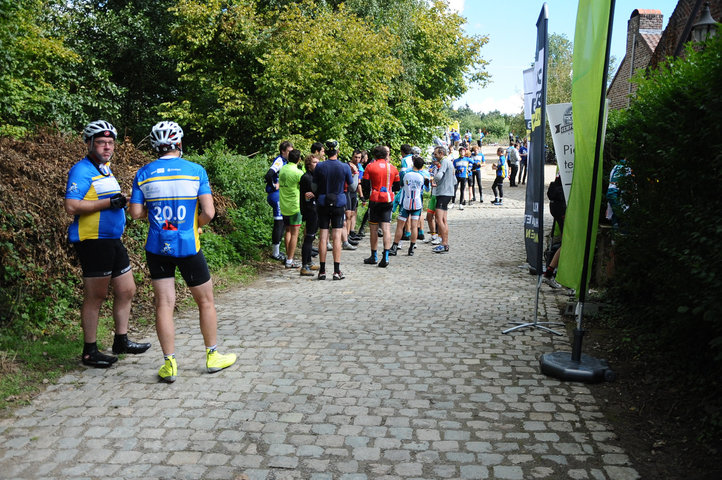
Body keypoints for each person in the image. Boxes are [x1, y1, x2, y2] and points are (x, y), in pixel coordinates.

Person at [129, 121, 236, 383]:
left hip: (157, 246)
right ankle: (212, 356)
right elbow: (209, 212)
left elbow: (135, 213)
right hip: (188, 244)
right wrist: (195, 226)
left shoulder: (143, 173)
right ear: (179, 143)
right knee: (205, 301)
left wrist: (154, 217)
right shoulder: (195, 171)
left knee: (164, 304)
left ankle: (170, 364)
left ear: (155, 146)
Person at [64, 120, 151, 368]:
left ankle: (120, 341)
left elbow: (109, 199)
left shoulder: (105, 170)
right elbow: (71, 206)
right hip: (93, 241)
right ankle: (89, 351)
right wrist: (108, 204)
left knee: (127, 290)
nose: (107, 147)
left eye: (110, 143)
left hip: (112, 241)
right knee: (96, 295)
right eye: (101, 143)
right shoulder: (81, 170)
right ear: (89, 143)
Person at [312, 139, 353, 280]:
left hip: (323, 202)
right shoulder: (344, 167)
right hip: (338, 203)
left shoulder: (320, 166)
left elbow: (314, 187)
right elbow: (352, 186)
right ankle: (336, 271)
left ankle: (322, 271)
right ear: (338, 151)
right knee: (336, 236)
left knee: (323, 236)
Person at [361, 145, 401, 267]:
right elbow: (397, 186)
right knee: (386, 228)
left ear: (374, 155)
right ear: (386, 155)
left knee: (373, 229)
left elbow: (365, 184)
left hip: (375, 199)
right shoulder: (393, 168)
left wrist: (366, 196)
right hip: (388, 199)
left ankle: (374, 256)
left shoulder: (370, 167)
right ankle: (386, 256)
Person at [389, 155, 427, 256]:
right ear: (421, 167)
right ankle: (411, 249)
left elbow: (401, 186)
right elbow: (423, 188)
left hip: (406, 202)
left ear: (413, 164)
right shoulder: (422, 176)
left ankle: (394, 247)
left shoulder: (406, 174)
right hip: (417, 203)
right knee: (414, 226)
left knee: (400, 226)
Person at [265, 141, 294, 262]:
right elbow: (268, 174)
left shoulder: (286, 161)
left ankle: (277, 249)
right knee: (279, 222)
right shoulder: (279, 161)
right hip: (275, 196)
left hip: (280, 195)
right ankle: (275, 253)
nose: (291, 154)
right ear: (283, 151)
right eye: (289, 152)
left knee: (282, 223)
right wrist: (274, 185)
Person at [278, 149, 304, 269]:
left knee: (287, 231)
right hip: (294, 206)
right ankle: (290, 260)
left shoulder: (283, 169)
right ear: (299, 160)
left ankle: (289, 256)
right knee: (295, 234)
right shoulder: (298, 173)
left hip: (283, 205)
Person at [543, 173, 566, 289]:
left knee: (567, 243)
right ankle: (551, 273)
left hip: (558, 205)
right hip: (562, 207)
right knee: (568, 243)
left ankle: (550, 272)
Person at [299, 154, 320, 276]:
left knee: (311, 236)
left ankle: (309, 262)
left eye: (318, 162)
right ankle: (304, 265)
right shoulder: (307, 177)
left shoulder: (314, 176)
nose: (317, 164)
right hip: (310, 210)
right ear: (308, 165)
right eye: (314, 162)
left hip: (314, 208)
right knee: (309, 236)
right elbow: (316, 191)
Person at [432, 146, 454, 253]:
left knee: (438, 219)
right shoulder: (449, 161)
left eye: (436, 154)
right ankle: (445, 243)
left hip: (443, 193)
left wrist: (433, 179)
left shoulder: (444, 161)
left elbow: (439, 176)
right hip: (448, 192)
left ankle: (444, 243)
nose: (434, 156)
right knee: (444, 220)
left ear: (441, 153)